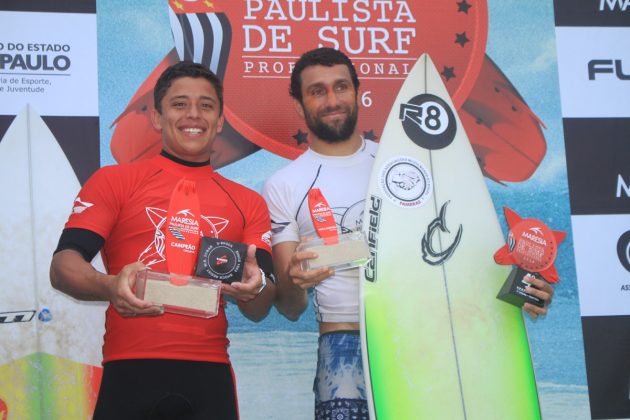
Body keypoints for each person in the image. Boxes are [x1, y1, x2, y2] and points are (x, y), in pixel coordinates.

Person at [261, 47, 554, 420]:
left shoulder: (407, 162)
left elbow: (460, 243)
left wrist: (526, 289)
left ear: (357, 92)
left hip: (427, 335)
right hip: (343, 343)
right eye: (317, 91)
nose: (332, 100)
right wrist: (297, 282)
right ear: (300, 106)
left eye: (341, 87)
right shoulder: (284, 184)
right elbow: (290, 307)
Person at [50, 61, 275, 420]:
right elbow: (63, 267)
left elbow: (261, 304)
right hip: (130, 371)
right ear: (157, 117)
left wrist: (257, 286)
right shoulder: (114, 180)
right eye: (179, 103)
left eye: (206, 105)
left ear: (219, 122)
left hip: (210, 374)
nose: (193, 114)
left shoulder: (248, 202)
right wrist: (109, 285)